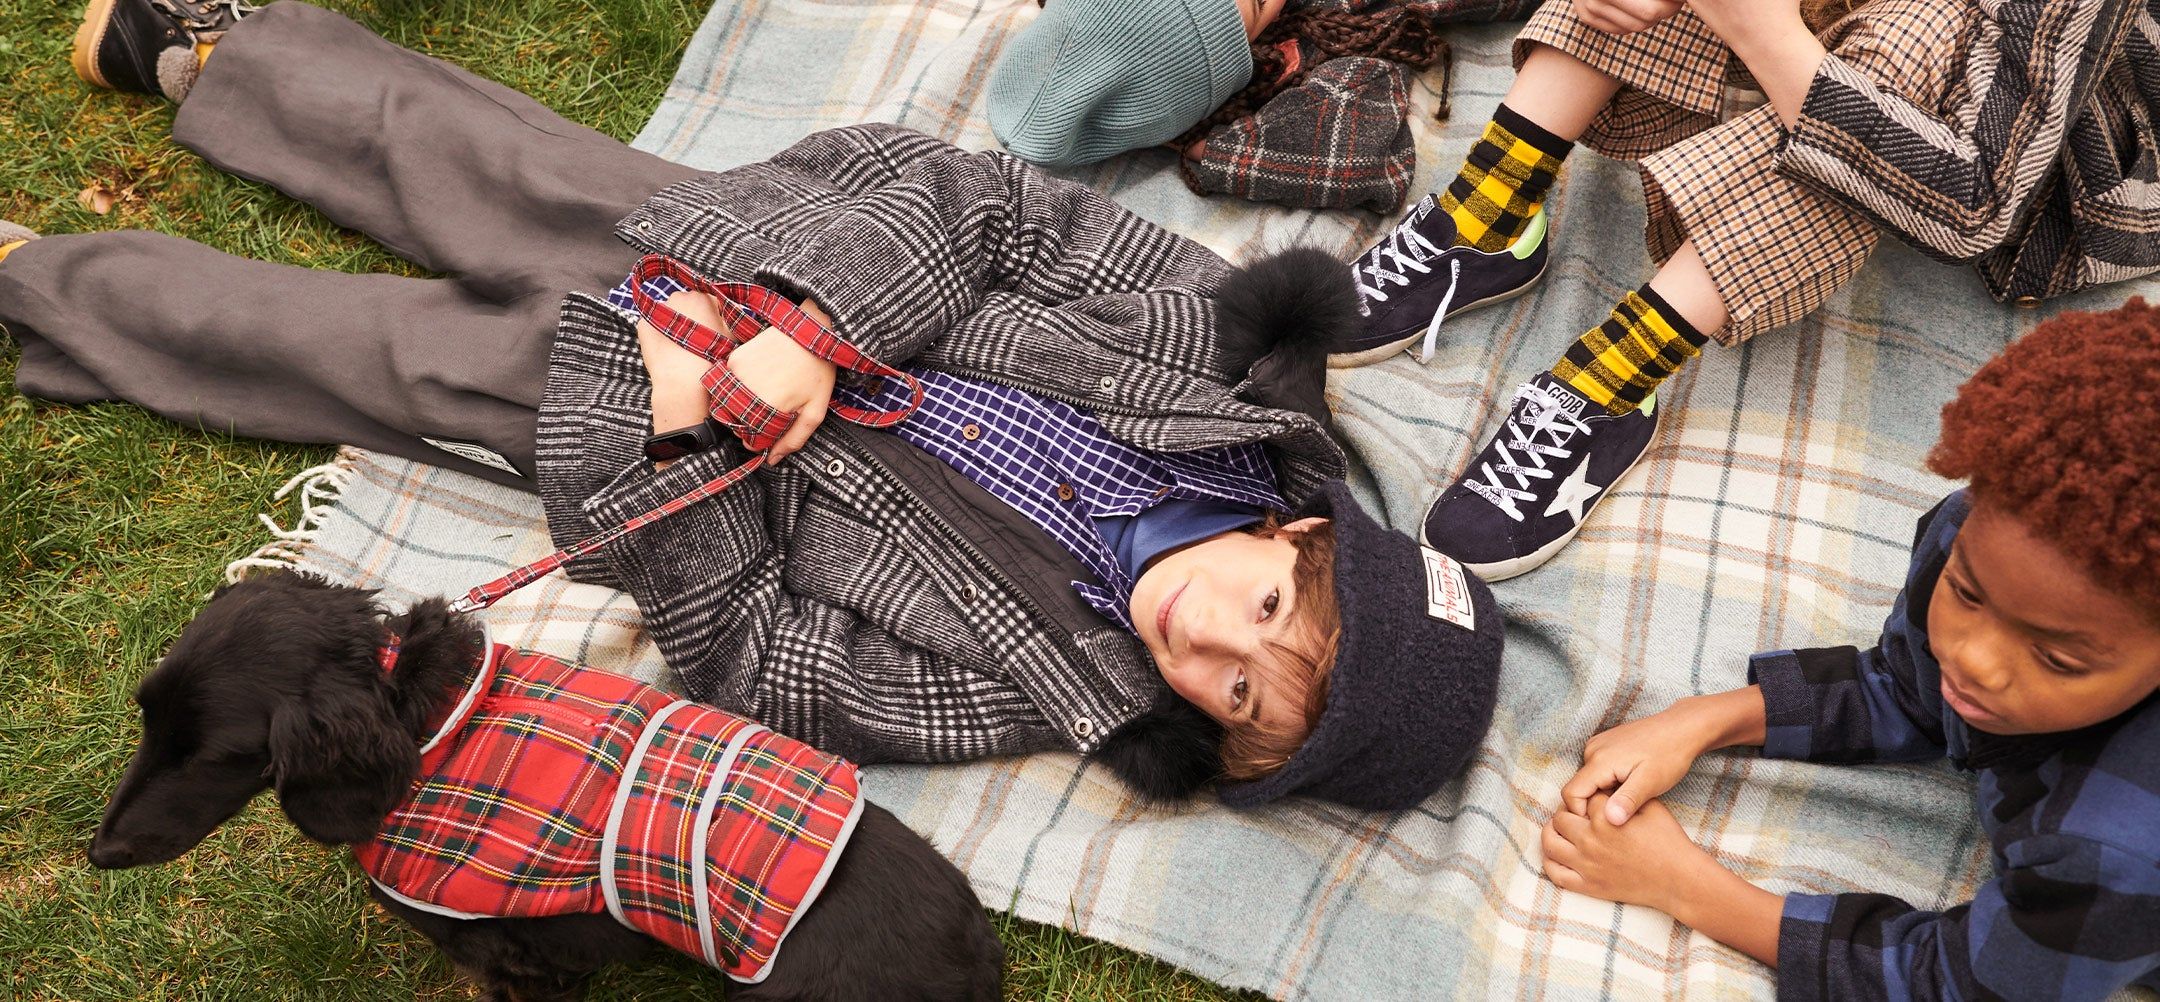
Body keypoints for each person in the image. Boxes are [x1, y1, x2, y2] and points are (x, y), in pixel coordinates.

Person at [2, 0, 1508, 809]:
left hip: (641, 430)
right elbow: (999, 211)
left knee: (344, 350)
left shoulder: (1019, 689)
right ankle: (210, 51)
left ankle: (45, 288)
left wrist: (677, 436)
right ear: (1297, 527)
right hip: (758, 257)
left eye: (1237, 696)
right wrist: (813, 323)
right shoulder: (1209, 353)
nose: (1208, 639)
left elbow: (757, 657)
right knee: (475, 155)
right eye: (1264, 607)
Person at [1335, 0, 2159, 582]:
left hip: (2042, 153)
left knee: (1918, 38)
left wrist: (1758, 26)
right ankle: (1486, 214)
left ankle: (1610, 381)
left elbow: (1974, 198)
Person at [1537, 300, 2160, 999]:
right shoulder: (1973, 538)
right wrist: (1701, 720)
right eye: (1969, 594)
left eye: (2058, 660)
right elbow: (1904, 690)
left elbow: (1952, 987)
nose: (1974, 660)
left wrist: (1685, 886)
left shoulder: (2118, 846)